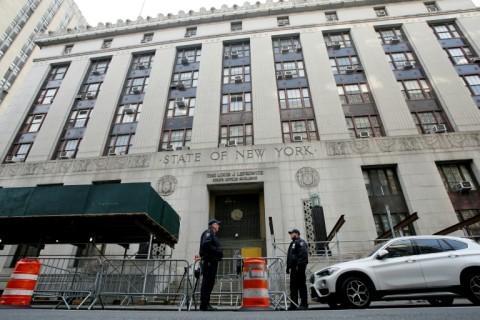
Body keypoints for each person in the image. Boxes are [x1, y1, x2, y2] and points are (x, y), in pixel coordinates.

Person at [199, 219, 223, 311]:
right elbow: (206, 245)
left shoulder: (212, 234)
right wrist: (217, 251)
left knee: (210, 282)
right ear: (212, 225)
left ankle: (206, 303)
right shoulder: (208, 233)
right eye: (217, 224)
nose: (219, 226)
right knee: (207, 282)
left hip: (212, 261)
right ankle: (204, 304)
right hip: (209, 261)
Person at [286, 228, 309, 310]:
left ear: (297, 234)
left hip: (299, 267)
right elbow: (290, 257)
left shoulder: (301, 242)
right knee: (293, 287)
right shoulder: (292, 243)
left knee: (301, 286)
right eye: (291, 233)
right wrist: (288, 267)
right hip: (293, 269)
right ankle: (294, 304)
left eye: (292, 233)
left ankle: (304, 304)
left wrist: (300, 265)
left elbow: (303, 254)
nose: (291, 235)